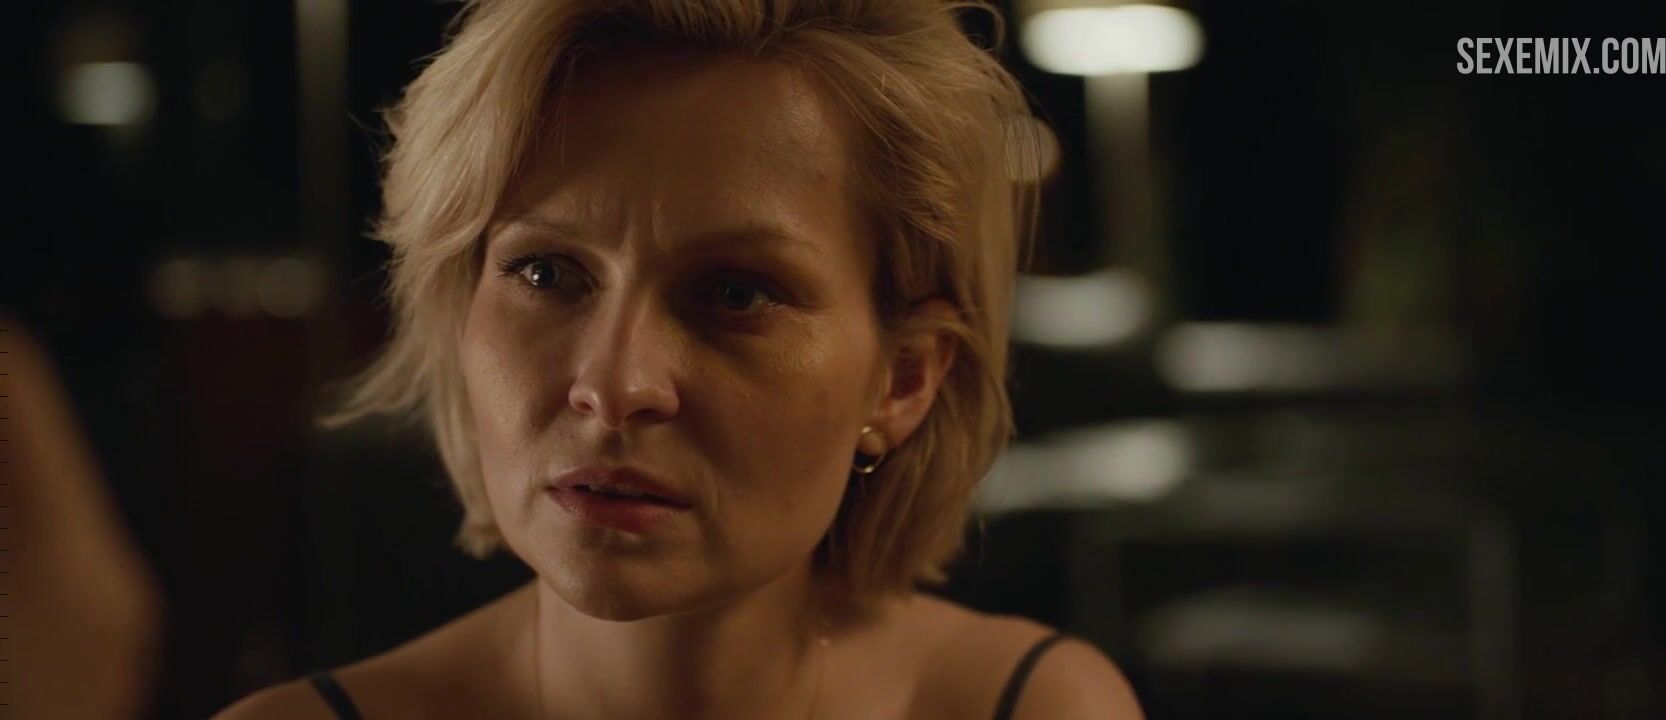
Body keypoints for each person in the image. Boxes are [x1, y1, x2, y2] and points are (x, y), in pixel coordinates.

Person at [217, 0, 1142, 717]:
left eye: (735, 293)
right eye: (546, 273)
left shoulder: (1027, 707)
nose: (613, 387)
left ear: (903, 380)